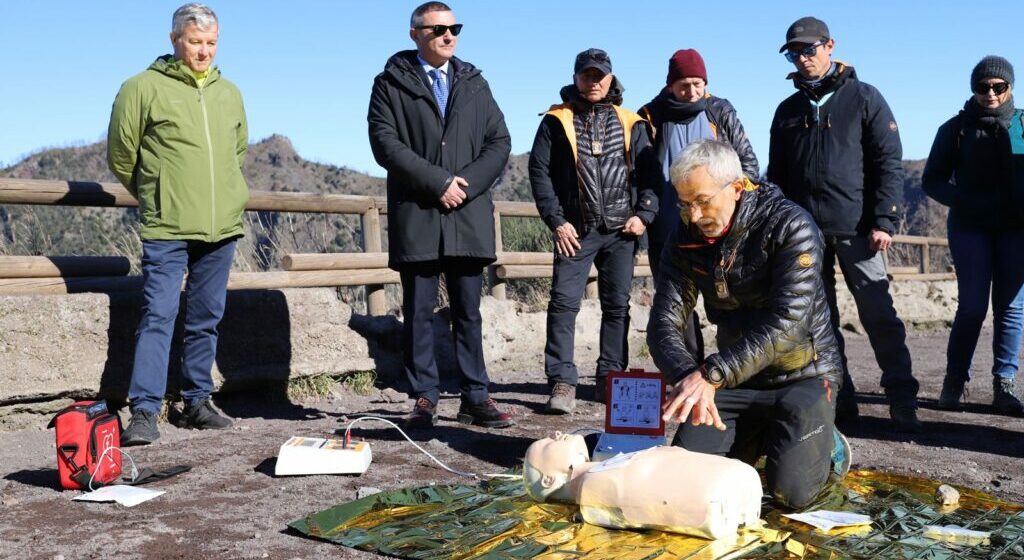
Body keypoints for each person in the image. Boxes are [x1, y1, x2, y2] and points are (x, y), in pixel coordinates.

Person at [648, 139, 848, 509]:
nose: (694, 216)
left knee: (791, 494)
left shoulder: (790, 226)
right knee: (685, 481)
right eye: (685, 203)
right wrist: (692, 380)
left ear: (737, 188)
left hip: (802, 374)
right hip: (736, 379)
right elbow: (664, 323)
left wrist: (712, 374)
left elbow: (788, 323)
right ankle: (765, 435)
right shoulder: (684, 239)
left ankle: (827, 446)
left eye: (703, 201)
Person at [767, 16, 921, 432]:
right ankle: (840, 400)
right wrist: (780, 227)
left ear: (830, 46)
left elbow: (888, 161)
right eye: (794, 53)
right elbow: (776, 176)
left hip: (860, 230)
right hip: (804, 235)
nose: (803, 58)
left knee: (879, 314)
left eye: (809, 49)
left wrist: (884, 219)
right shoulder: (787, 111)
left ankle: (902, 398)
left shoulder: (865, 98)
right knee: (819, 323)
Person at [368, 2, 513, 429]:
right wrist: (438, 183)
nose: (449, 36)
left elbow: (499, 141)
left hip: (467, 214)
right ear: (415, 34)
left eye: (454, 28)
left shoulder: (475, 83)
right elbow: (385, 143)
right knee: (418, 311)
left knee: (469, 312)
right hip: (419, 215)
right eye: (438, 30)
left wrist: (464, 185)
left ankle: (475, 397)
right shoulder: (389, 84)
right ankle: (424, 399)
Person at [107, 3, 246, 445]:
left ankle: (196, 402)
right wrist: (158, 193)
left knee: (206, 317)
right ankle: (144, 411)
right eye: (195, 42)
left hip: (221, 227)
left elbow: (237, 152)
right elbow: (121, 155)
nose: (204, 51)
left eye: (211, 43)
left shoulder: (230, 93)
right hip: (167, 226)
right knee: (158, 315)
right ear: (174, 40)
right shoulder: (141, 87)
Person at [529, 49, 659, 414]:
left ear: (610, 78)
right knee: (562, 304)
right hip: (575, 229)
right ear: (575, 78)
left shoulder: (632, 122)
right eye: (587, 75)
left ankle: (610, 378)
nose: (594, 81)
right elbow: (539, 172)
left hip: (622, 230)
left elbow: (650, 174)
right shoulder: (556, 120)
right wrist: (556, 220)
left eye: (600, 75)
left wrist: (644, 215)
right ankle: (562, 381)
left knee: (617, 306)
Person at [638, 48, 760, 367]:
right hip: (670, 227)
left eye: (697, 84)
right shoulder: (650, 116)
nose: (692, 92)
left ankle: (736, 368)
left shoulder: (719, 111)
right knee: (675, 303)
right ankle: (686, 370)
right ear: (670, 85)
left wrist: (740, 210)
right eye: (684, 85)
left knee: (732, 298)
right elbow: (642, 174)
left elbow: (747, 163)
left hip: (722, 226)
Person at [922, 56, 1024, 416]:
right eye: (982, 86)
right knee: (972, 306)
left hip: (1016, 229)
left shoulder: (1022, 126)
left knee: (1011, 307)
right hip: (969, 227)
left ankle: (1004, 384)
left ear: (1010, 87)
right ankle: (954, 380)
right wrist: (965, 200)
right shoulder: (955, 129)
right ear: (973, 88)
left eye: (999, 86)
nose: (990, 93)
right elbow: (932, 180)